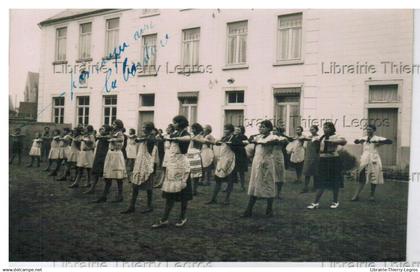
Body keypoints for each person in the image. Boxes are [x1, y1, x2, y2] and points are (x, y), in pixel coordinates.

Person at [152, 115, 192, 228]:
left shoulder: (185, 133)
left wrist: (173, 139)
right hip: (172, 164)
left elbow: (188, 138)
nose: (173, 124)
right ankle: (164, 219)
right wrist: (161, 136)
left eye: (174, 122)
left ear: (180, 123)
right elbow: (163, 138)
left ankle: (183, 217)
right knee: (169, 193)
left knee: (184, 194)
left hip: (181, 166)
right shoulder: (174, 133)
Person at [242, 120, 279, 217]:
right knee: (254, 184)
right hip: (257, 162)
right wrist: (251, 140)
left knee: (268, 184)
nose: (260, 128)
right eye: (260, 127)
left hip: (267, 163)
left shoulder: (273, 137)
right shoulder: (258, 136)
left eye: (263, 127)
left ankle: (269, 209)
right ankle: (249, 210)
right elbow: (249, 142)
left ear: (269, 128)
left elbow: (277, 141)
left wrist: (259, 141)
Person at [307, 122, 347, 209]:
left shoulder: (336, 136)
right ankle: (316, 202)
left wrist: (332, 141)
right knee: (321, 181)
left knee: (335, 181)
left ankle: (335, 201)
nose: (324, 129)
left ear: (331, 128)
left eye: (327, 128)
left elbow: (344, 141)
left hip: (333, 160)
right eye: (324, 128)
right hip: (323, 160)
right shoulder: (322, 137)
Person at [121, 122, 158, 214]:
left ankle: (149, 206)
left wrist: (148, 136)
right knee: (135, 185)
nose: (142, 129)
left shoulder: (151, 137)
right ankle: (132, 206)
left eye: (144, 127)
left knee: (148, 186)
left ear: (149, 129)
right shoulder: (147, 136)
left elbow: (145, 140)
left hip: (146, 163)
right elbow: (138, 139)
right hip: (140, 162)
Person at [351, 124, 392, 201]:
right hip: (365, 159)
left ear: (374, 130)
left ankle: (372, 195)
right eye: (367, 129)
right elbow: (355, 141)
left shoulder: (377, 138)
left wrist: (378, 141)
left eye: (370, 129)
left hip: (374, 159)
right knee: (362, 177)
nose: (368, 131)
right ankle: (356, 195)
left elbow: (390, 141)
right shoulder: (364, 138)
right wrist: (360, 140)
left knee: (374, 177)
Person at [95, 119, 127, 203]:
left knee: (118, 176)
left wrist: (113, 139)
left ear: (118, 125)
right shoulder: (112, 133)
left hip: (116, 154)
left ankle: (120, 195)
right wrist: (102, 137)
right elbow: (107, 137)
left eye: (114, 124)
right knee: (108, 176)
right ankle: (104, 196)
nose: (112, 125)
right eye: (112, 124)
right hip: (110, 154)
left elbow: (120, 140)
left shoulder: (119, 133)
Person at [206, 124, 237, 205]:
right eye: (224, 129)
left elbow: (236, 145)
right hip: (222, 159)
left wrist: (228, 142)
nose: (225, 131)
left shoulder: (234, 138)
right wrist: (215, 141)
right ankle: (213, 198)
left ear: (231, 130)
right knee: (218, 180)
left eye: (226, 129)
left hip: (230, 160)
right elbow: (217, 143)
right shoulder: (223, 137)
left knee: (230, 180)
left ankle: (227, 199)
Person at [84, 125, 111, 194]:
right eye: (101, 129)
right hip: (98, 157)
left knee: (106, 175)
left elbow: (106, 138)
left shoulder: (107, 137)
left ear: (107, 131)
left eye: (103, 129)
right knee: (95, 173)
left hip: (104, 158)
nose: (101, 130)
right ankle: (92, 188)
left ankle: (106, 190)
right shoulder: (100, 137)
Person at [301, 125, 321, 193]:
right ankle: (305, 187)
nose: (311, 131)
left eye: (313, 129)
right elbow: (305, 147)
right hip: (308, 156)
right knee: (307, 172)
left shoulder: (318, 138)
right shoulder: (308, 137)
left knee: (315, 172)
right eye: (310, 129)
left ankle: (315, 187)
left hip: (315, 156)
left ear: (316, 130)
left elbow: (319, 148)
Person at [154, 124, 175, 188]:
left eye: (168, 128)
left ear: (171, 129)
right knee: (164, 168)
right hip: (166, 153)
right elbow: (162, 140)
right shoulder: (167, 135)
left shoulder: (173, 135)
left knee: (170, 169)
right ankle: (161, 183)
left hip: (171, 153)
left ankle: (169, 183)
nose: (166, 129)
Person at [272, 127, 289, 199]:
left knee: (279, 174)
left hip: (278, 155)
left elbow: (287, 142)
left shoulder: (283, 138)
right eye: (273, 130)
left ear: (279, 131)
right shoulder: (270, 137)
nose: (273, 131)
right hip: (270, 155)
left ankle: (278, 193)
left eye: (275, 130)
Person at [187, 123, 204, 196]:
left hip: (196, 154)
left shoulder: (200, 136)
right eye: (192, 128)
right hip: (189, 153)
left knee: (196, 173)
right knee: (189, 172)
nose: (192, 130)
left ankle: (194, 190)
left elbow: (200, 143)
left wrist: (195, 136)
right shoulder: (192, 135)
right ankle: (190, 189)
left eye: (193, 128)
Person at [232, 126, 249, 191]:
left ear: (241, 131)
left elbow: (246, 143)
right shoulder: (232, 136)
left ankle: (242, 186)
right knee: (232, 171)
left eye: (238, 130)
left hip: (241, 155)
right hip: (234, 154)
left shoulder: (243, 137)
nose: (236, 131)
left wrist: (238, 144)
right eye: (235, 129)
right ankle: (231, 186)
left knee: (241, 171)